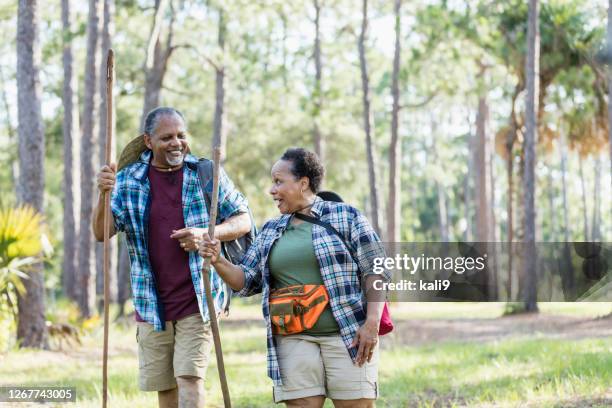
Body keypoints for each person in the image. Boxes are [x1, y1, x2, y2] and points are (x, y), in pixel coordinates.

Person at [199, 147, 389, 408]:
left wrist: (371, 324)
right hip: (293, 339)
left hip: (348, 335)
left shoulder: (346, 216)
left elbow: (376, 269)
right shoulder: (270, 230)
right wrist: (218, 259)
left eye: (279, 181)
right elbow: (245, 280)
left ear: (303, 183)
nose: (272, 190)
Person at [93, 106, 252, 408]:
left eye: (181, 135)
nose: (176, 143)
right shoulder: (129, 180)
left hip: (198, 297)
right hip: (151, 302)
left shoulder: (205, 173)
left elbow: (243, 219)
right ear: (148, 141)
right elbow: (102, 232)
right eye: (167, 137)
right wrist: (103, 194)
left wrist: (208, 234)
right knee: (165, 389)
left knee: (190, 378)